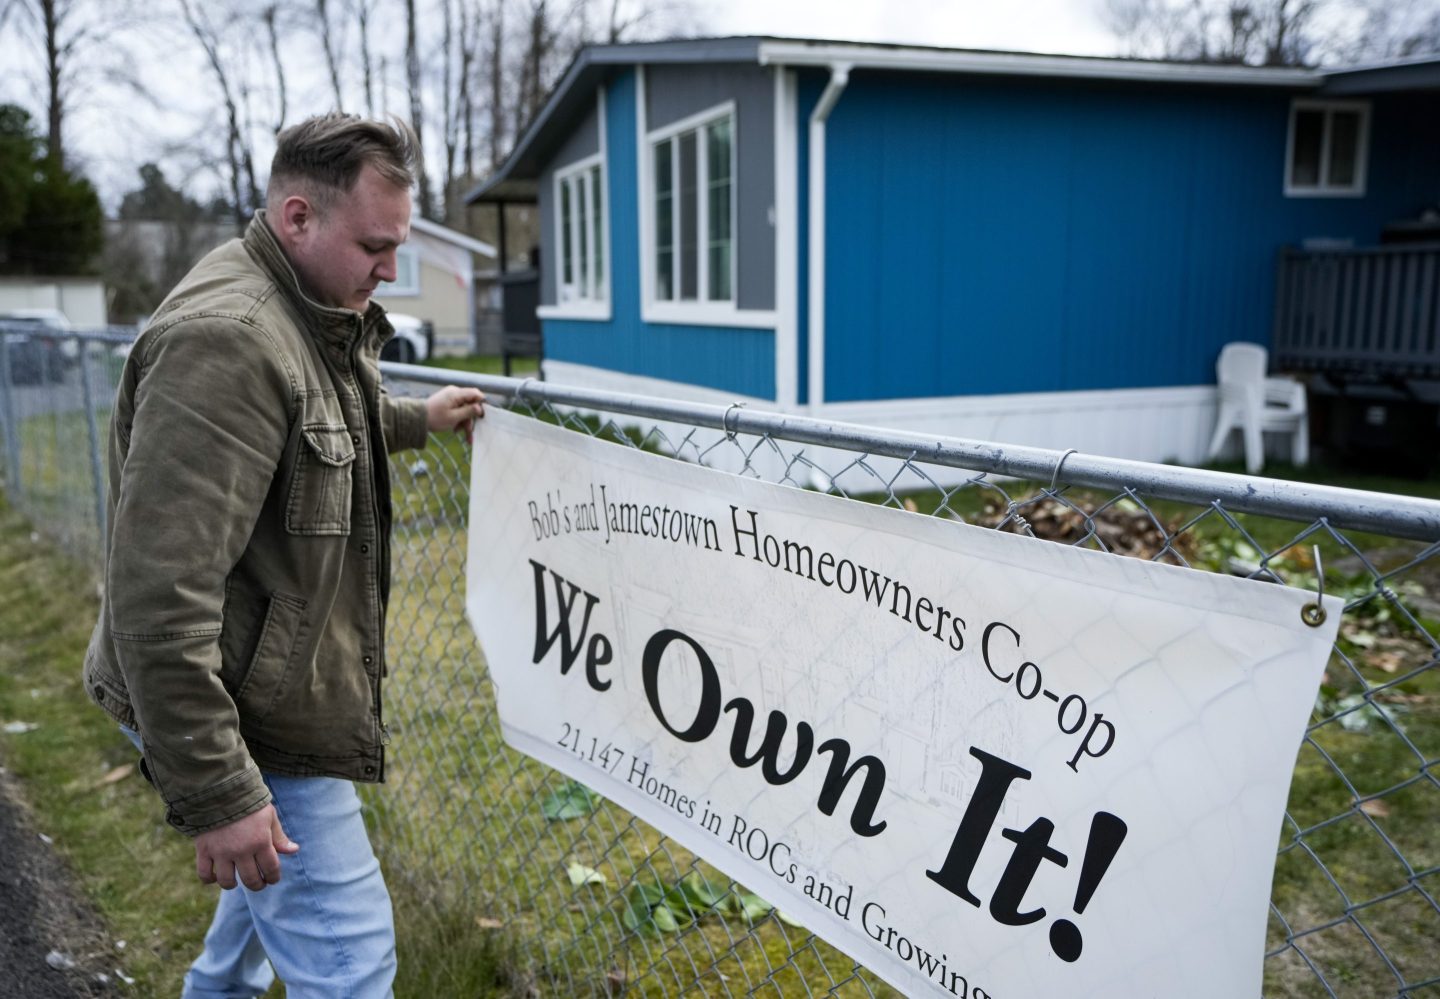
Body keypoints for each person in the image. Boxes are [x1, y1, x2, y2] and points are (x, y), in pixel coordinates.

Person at [82, 112, 484, 997]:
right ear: (298, 216)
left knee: (260, 918)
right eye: (376, 246)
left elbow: (310, 417)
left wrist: (417, 419)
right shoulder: (228, 341)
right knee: (348, 962)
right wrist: (223, 789)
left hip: (257, 679)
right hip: (238, 709)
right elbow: (159, 593)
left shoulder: (303, 307)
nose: (389, 271)